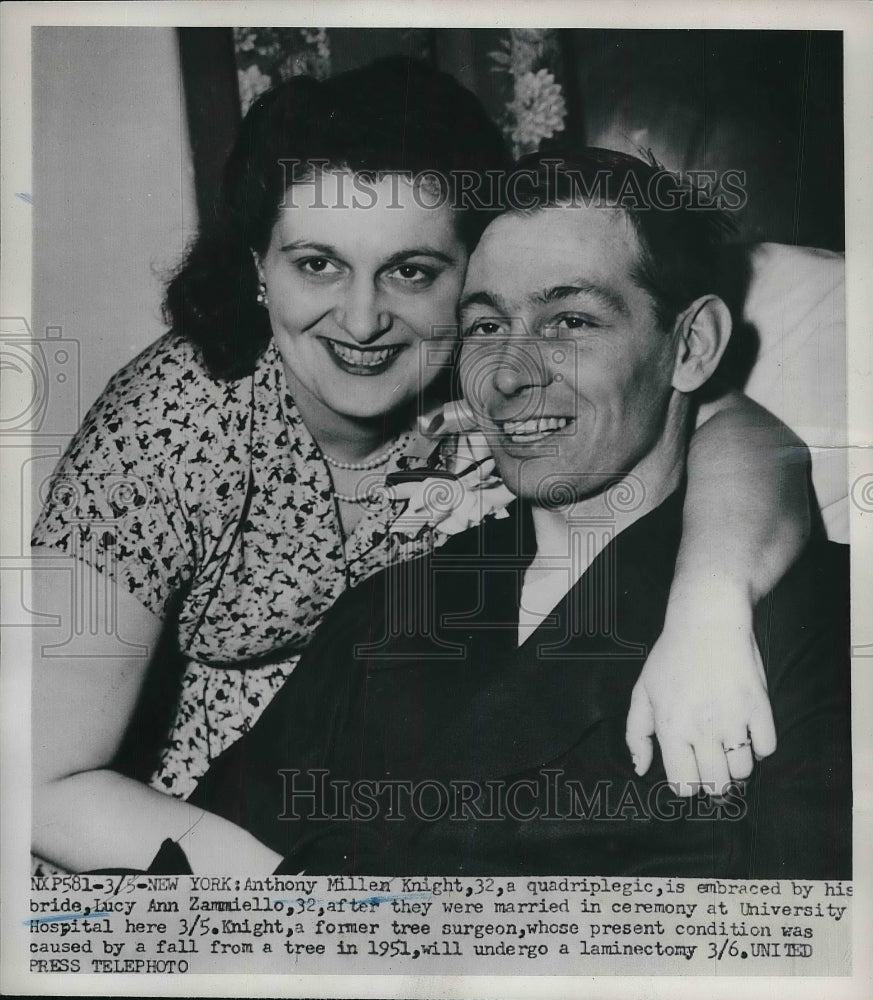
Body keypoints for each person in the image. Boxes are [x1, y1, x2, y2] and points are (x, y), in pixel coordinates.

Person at [31, 55, 808, 875]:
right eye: (317, 264)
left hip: (402, 824)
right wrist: (318, 909)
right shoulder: (177, 415)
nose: (362, 321)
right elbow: (37, 782)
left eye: (411, 271)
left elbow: (736, 430)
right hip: (170, 849)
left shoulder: (502, 385)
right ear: (259, 268)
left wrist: (710, 609)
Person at [190, 150, 851, 878]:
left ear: (689, 346)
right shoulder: (388, 614)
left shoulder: (811, 623)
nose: (507, 374)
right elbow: (207, 887)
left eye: (568, 321)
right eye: (483, 328)